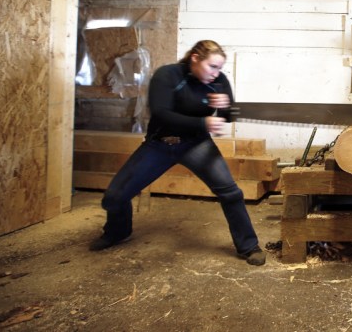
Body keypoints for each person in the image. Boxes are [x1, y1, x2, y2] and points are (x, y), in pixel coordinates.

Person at [89, 40, 266, 266]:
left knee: (231, 193)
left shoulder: (219, 81)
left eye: (220, 68)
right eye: (212, 67)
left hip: (196, 145)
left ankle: (249, 246)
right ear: (195, 58)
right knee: (114, 197)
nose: (217, 73)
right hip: (160, 145)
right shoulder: (167, 75)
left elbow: (228, 117)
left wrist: (225, 107)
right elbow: (162, 114)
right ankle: (117, 232)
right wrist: (204, 123)